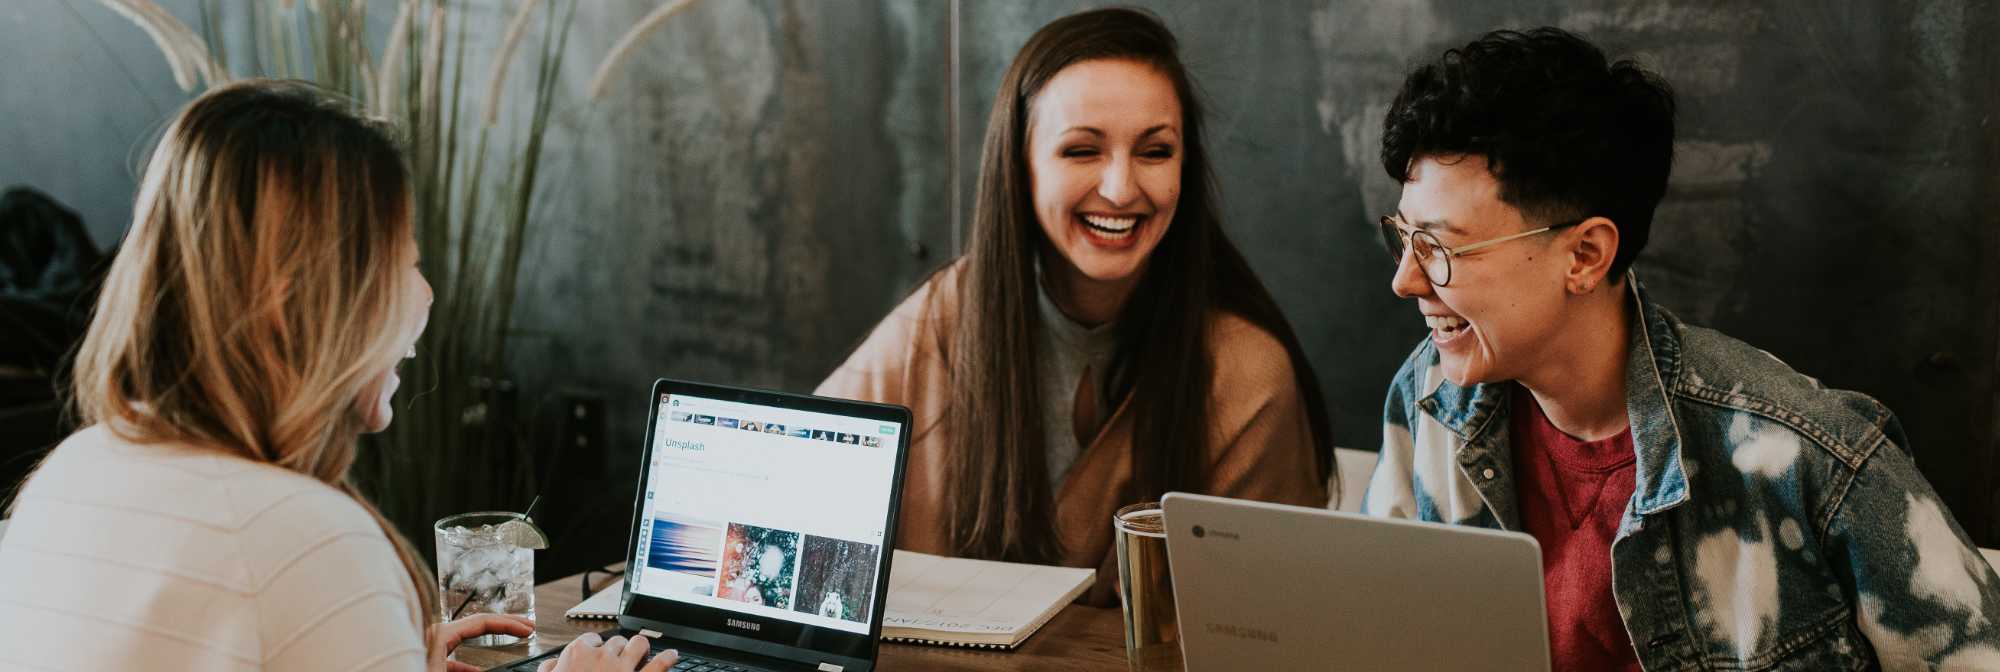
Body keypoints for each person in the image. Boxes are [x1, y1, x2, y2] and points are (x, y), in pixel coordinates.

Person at [1361, 28, 2000, 669]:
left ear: (1584, 255)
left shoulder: (1805, 458)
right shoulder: (1429, 399)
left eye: (1440, 249)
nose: (1405, 280)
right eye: (1403, 237)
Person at [0, 80, 676, 672]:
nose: (426, 295)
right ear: (298, 302)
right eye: (403, 264)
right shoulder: (305, 538)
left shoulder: (70, 472)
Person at [818, 7, 1333, 606]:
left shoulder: (1247, 375)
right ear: (1021, 165)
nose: (1120, 188)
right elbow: (795, 483)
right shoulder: (941, 319)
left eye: (1155, 151)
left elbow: (1269, 624)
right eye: (1082, 151)